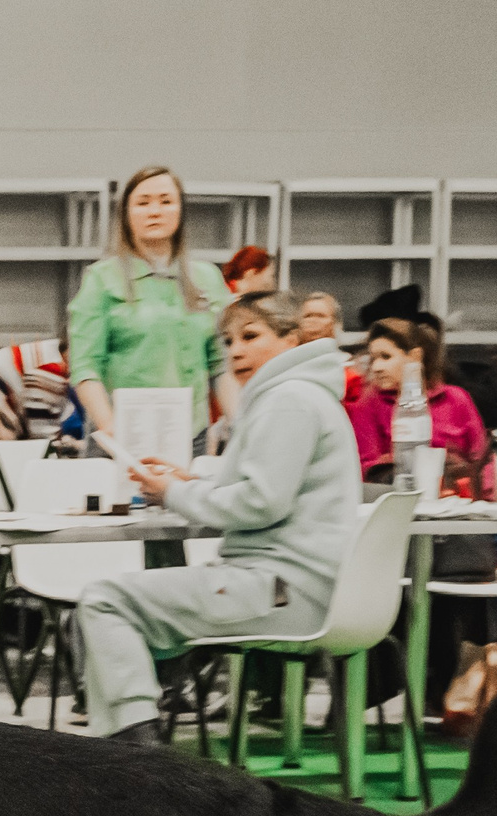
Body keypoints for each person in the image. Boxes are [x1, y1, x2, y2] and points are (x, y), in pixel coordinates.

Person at [77, 288, 359, 743]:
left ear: (291, 340)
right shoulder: (301, 396)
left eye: (251, 335)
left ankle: (137, 753)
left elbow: (259, 504)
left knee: (105, 600)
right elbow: (257, 492)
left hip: (284, 590)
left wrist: (171, 492)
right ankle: (127, 747)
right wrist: (187, 484)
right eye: (228, 341)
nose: (236, 351)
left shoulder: (288, 401)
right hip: (296, 585)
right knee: (117, 606)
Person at [69, 166, 226, 449]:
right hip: (121, 437)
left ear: (181, 210)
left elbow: (221, 363)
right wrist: (111, 427)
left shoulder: (208, 277)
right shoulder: (101, 279)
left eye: (166, 201)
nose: (155, 211)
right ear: (126, 215)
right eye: (143, 203)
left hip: (193, 437)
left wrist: (242, 424)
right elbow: (85, 368)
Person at [344, 317, 488, 485]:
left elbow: (482, 462)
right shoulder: (369, 404)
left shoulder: (455, 399)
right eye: (373, 359)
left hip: (456, 500)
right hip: (396, 499)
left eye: (386, 357)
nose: (377, 367)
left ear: (415, 357)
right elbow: (364, 470)